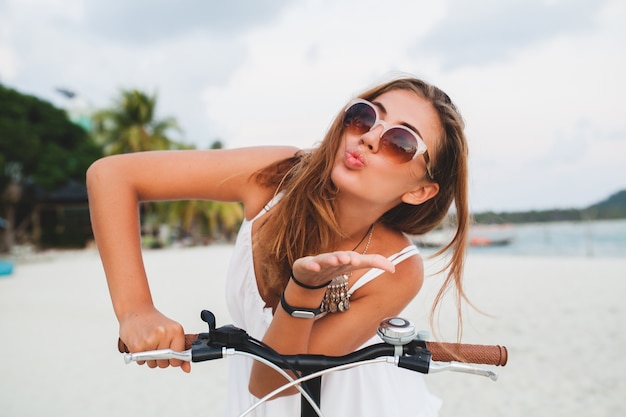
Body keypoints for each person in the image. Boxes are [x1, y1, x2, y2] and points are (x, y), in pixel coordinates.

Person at [87, 76, 470, 417]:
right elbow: (111, 175)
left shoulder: (397, 267)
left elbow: (272, 381)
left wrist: (303, 292)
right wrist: (136, 310)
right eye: (364, 116)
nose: (369, 137)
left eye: (400, 142)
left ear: (420, 190)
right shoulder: (275, 177)